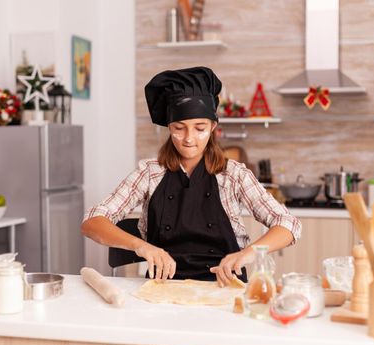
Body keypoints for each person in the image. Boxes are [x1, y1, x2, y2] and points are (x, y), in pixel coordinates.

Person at [81, 66, 301, 287]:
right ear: (169, 127)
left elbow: (288, 224)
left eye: (199, 128)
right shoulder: (149, 172)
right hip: (163, 287)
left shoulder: (234, 175)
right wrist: (141, 246)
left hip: (225, 286)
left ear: (213, 126)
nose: (189, 138)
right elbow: (92, 221)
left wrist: (248, 254)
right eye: (179, 128)